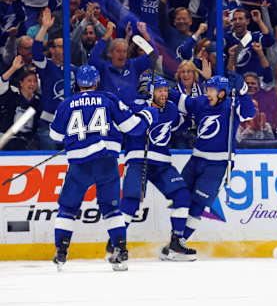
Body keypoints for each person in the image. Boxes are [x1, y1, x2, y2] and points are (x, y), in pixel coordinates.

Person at [48, 65, 157, 271]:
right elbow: (132, 128)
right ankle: (120, 251)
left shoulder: (66, 104)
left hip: (79, 164)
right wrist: (149, 115)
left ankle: (61, 252)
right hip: (106, 160)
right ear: (96, 82)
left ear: (77, 83)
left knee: (68, 208)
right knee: (111, 208)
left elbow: (55, 136)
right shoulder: (108, 99)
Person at [106, 75, 197, 261]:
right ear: (150, 91)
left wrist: (193, 121)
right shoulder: (137, 106)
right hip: (139, 159)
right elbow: (124, 124)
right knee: (131, 202)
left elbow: (182, 124)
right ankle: (116, 242)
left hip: (162, 162)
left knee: (182, 196)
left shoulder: (171, 109)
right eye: (159, 90)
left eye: (165, 91)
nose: (164, 94)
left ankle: (176, 242)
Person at [168, 72, 255, 251]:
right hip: (196, 159)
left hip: (219, 165)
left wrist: (243, 90)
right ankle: (175, 239)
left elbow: (249, 113)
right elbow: (182, 100)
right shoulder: (201, 102)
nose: (208, 93)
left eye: (212, 90)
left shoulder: (232, 105)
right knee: (181, 197)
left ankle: (179, 242)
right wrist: (159, 89)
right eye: (207, 89)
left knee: (198, 204)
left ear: (222, 93)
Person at [32, 8, 78, 150]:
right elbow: (36, 52)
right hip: (48, 124)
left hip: (70, 125)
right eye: (60, 46)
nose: (64, 50)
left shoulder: (74, 69)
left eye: (66, 47)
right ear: (52, 50)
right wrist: (45, 27)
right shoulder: (47, 66)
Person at [0, 56, 41, 150]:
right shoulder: (12, 94)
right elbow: (2, 84)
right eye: (29, 81)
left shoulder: (37, 101)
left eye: (35, 81)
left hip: (27, 140)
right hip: (6, 137)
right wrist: (13, 68)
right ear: (21, 83)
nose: (32, 84)